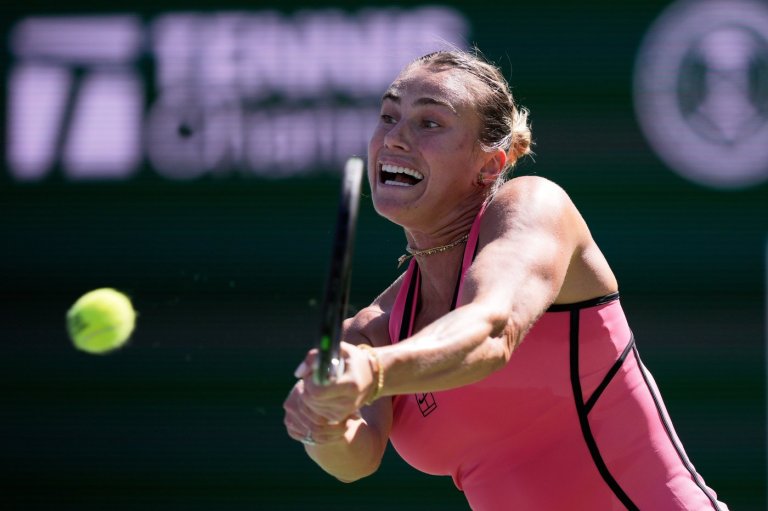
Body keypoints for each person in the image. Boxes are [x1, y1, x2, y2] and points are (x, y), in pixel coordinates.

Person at [283, 49, 728, 510]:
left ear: (491, 165)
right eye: (388, 115)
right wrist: (325, 422)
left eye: (429, 123)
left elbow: (492, 332)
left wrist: (371, 373)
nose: (394, 138)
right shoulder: (372, 331)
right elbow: (356, 459)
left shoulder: (536, 207)